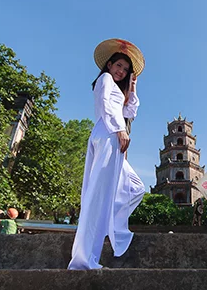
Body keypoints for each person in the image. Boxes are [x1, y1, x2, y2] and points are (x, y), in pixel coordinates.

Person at [68, 39, 146, 270]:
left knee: (135, 188)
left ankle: (109, 222)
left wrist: (132, 87)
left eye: (125, 69)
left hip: (114, 133)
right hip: (109, 132)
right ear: (109, 65)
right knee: (97, 194)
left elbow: (130, 111)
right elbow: (105, 106)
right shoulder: (104, 80)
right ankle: (84, 259)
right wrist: (120, 130)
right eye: (118, 66)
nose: (121, 71)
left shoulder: (119, 88)